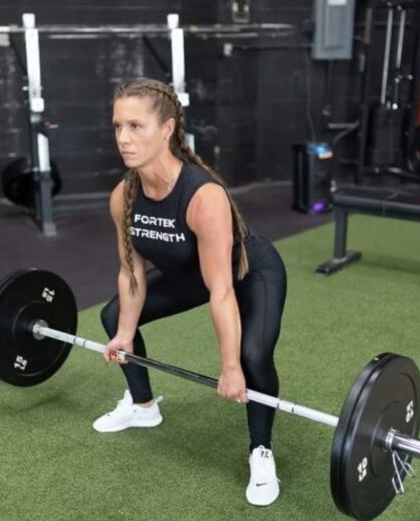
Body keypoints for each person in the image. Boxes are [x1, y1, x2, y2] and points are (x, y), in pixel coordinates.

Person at [96, 78, 287, 507]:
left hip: (247, 275)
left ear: (166, 129)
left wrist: (229, 366)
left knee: (253, 356)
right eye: (117, 126)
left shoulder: (203, 197)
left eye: (135, 126)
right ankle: (143, 406)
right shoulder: (122, 196)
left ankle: (261, 450)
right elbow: (131, 271)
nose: (123, 139)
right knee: (113, 318)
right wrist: (126, 334)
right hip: (189, 277)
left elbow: (221, 291)